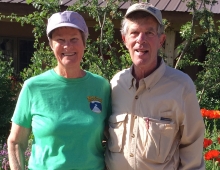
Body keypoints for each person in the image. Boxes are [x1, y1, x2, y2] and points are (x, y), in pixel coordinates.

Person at [105, 2, 205, 170]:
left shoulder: (181, 87)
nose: (141, 40)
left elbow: (192, 149)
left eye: (149, 33)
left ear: (161, 40)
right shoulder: (116, 84)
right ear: (124, 39)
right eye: (134, 33)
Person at [7, 11, 111, 170]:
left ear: (84, 42)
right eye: (60, 40)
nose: (67, 46)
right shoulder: (33, 87)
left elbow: (114, 136)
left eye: (74, 39)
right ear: (51, 45)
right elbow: (16, 142)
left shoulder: (101, 86)